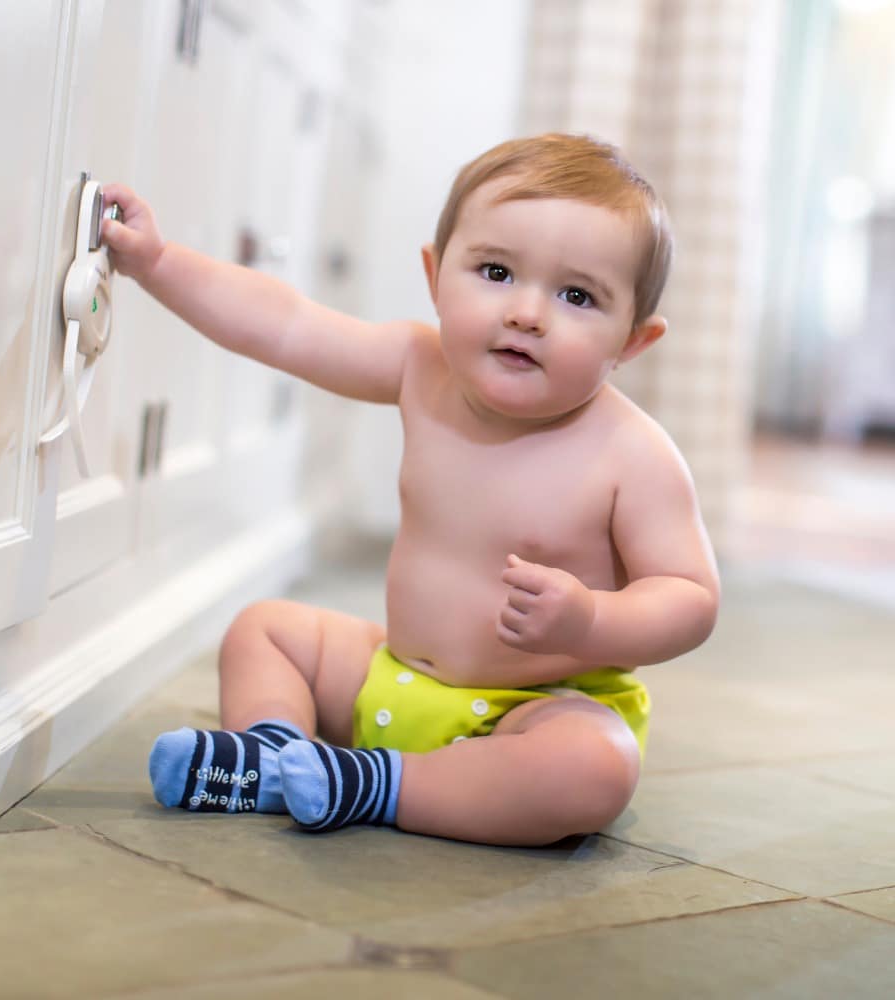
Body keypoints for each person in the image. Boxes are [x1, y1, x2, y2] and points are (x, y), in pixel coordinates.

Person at [101, 133, 720, 847]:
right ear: (435, 275)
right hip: (392, 680)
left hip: (533, 712)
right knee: (265, 629)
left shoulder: (632, 454)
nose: (526, 312)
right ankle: (274, 757)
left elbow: (690, 597)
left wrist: (590, 622)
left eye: (577, 295)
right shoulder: (418, 369)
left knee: (596, 768)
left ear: (632, 342)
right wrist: (158, 263)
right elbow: (284, 324)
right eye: (495, 270)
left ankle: (380, 786)